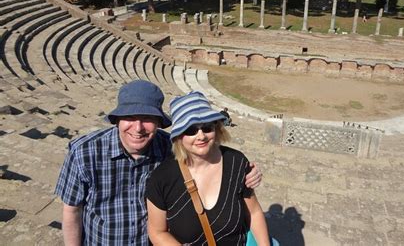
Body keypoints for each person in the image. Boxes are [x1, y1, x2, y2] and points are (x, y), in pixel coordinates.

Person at [54, 80, 262, 245]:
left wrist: (247, 170)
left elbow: (205, 153)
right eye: (130, 117)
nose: (138, 128)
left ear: (158, 123)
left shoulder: (169, 146)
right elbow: (72, 211)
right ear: (117, 119)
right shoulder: (84, 153)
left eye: (147, 119)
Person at [146, 91, 270, 245]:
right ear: (179, 136)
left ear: (216, 129)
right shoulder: (163, 177)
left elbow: (254, 212)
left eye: (207, 128)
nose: (201, 136)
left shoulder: (236, 162)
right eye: (191, 130)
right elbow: (157, 232)